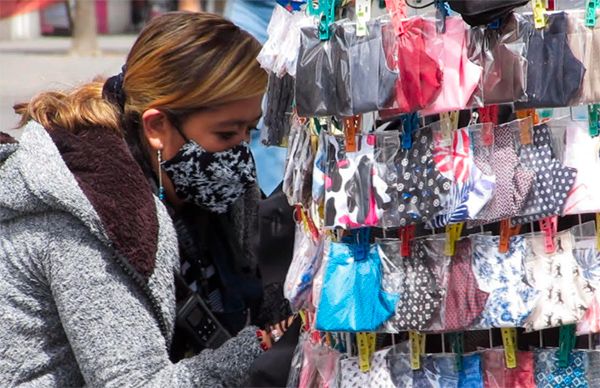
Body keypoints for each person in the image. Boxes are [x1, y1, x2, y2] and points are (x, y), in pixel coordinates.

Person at [0, 12, 271, 386]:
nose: (241, 151)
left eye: (249, 131)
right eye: (226, 135)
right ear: (157, 126)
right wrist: (263, 345)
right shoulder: (88, 216)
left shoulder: (189, 186)